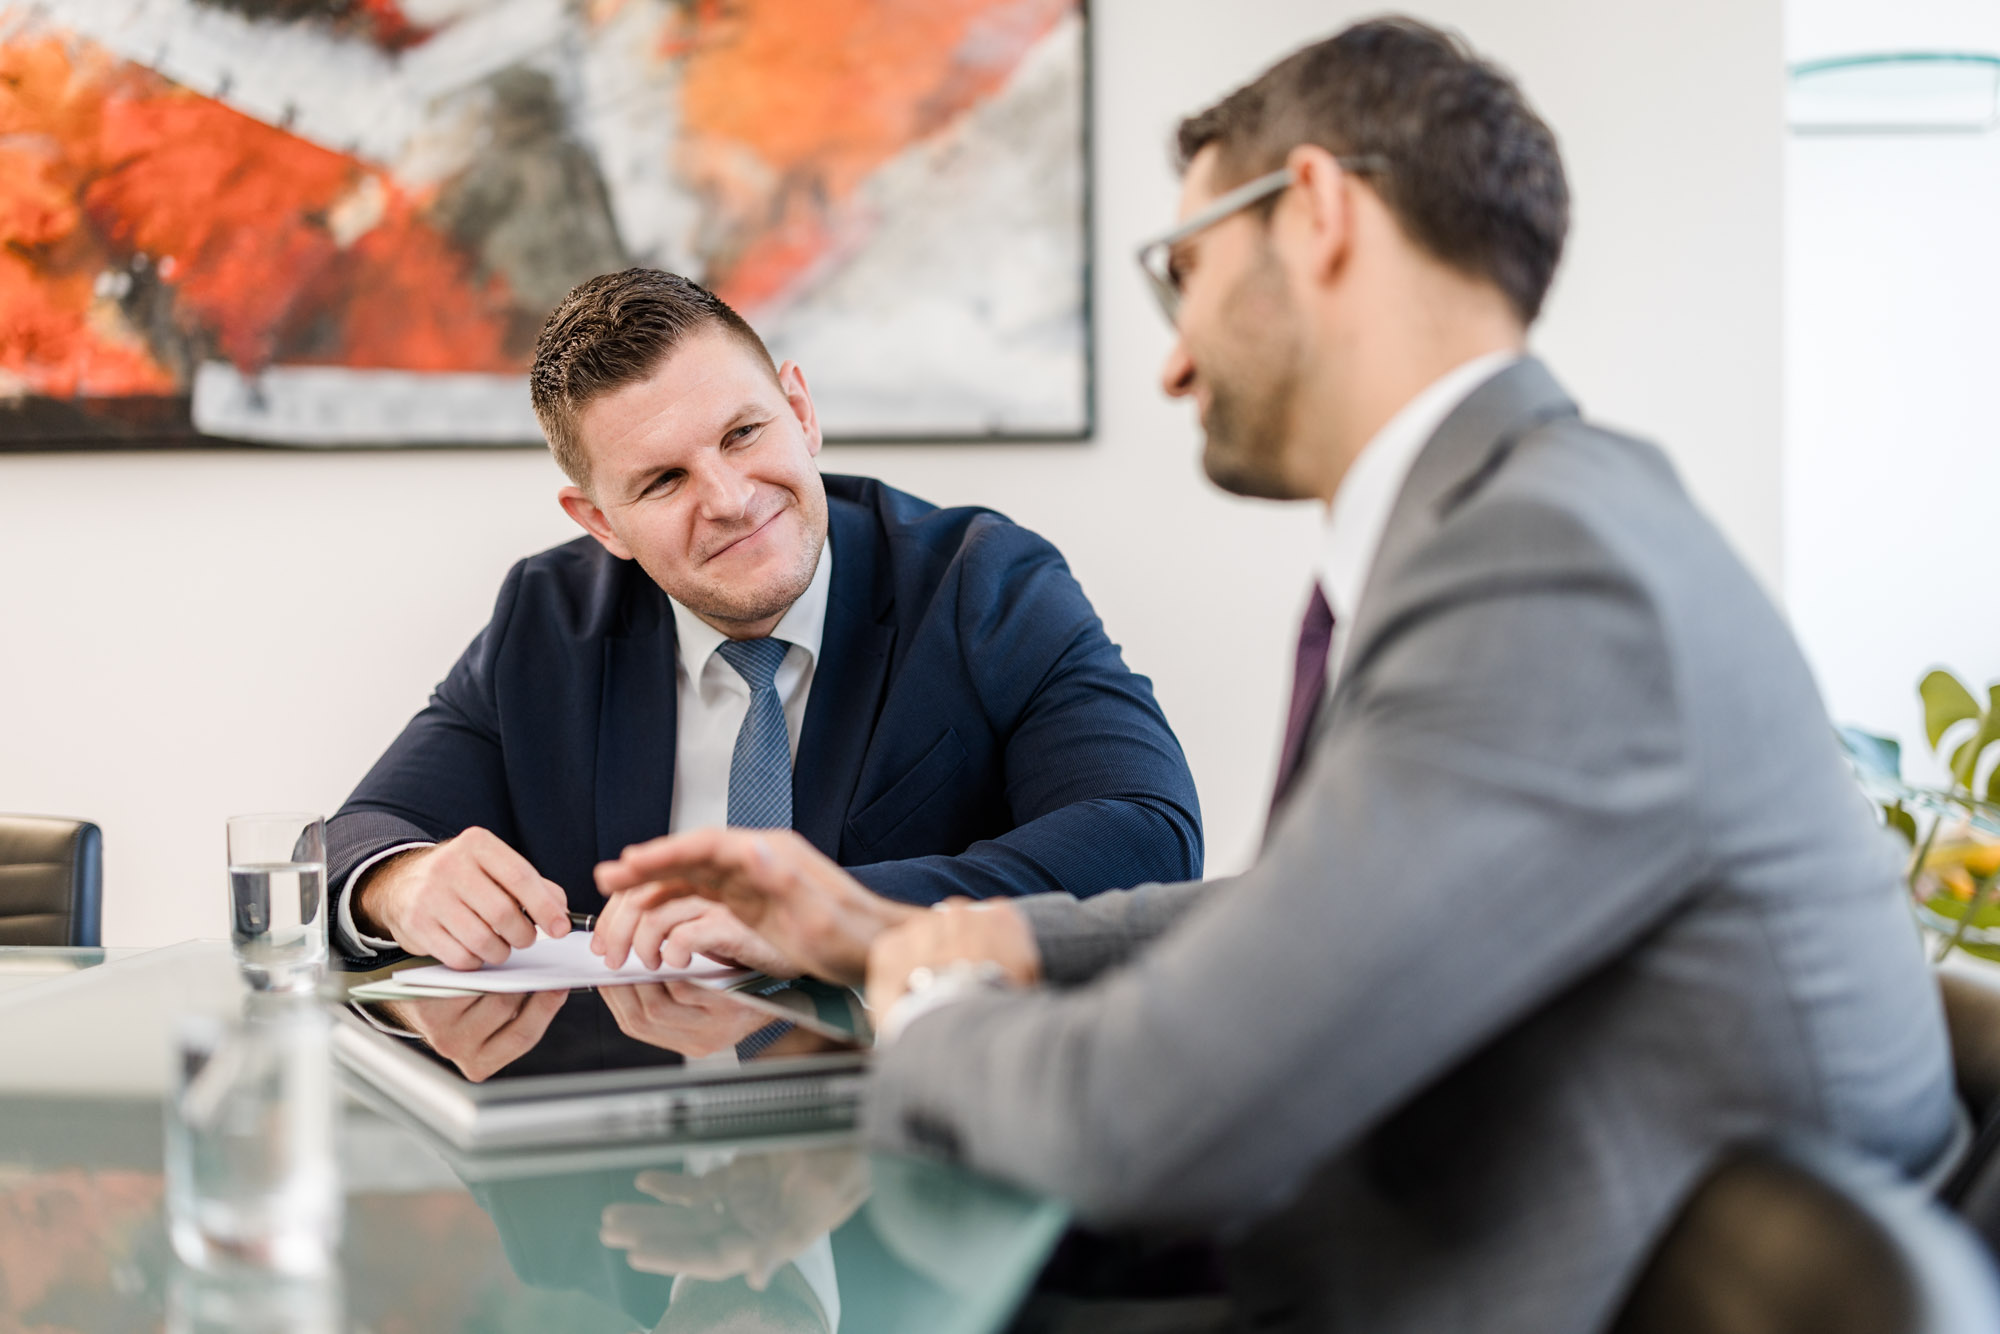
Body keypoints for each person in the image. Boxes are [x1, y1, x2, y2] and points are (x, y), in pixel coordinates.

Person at [589, 17, 1960, 1334]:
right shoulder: (1539, 517)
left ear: (1316, 211)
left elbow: (1146, 1122)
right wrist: (903, 932)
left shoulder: (1545, 572)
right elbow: (1333, 907)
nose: (1175, 363)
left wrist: (924, 1014)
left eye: (1182, 273)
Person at [326, 269, 1202, 971]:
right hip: (632, 1143)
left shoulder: (983, 581)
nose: (732, 500)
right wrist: (399, 885)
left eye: (744, 433)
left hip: (905, 1114)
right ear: (600, 523)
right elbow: (351, 840)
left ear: (802, 411)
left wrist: (826, 917)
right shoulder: (547, 620)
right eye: (663, 481)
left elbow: (1147, 833)